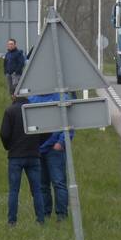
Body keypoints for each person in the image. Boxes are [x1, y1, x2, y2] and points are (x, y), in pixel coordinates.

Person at [0, 94, 47, 225]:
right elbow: (46, 131)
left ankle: (12, 222)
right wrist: (38, 144)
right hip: (33, 155)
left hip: (15, 156)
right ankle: (41, 220)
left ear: (13, 95)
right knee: (37, 190)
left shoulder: (10, 111)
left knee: (14, 191)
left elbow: (4, 133)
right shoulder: (33, 110)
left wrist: (9, 146)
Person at [28, 92, 73, 221]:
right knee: (42, 185)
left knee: (58, 183)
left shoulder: (62, 98)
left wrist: (61, 142)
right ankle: (45, 213)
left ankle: (61, 215)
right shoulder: (31, 99)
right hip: (37, 150)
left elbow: (69, 124)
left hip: (55, 149)